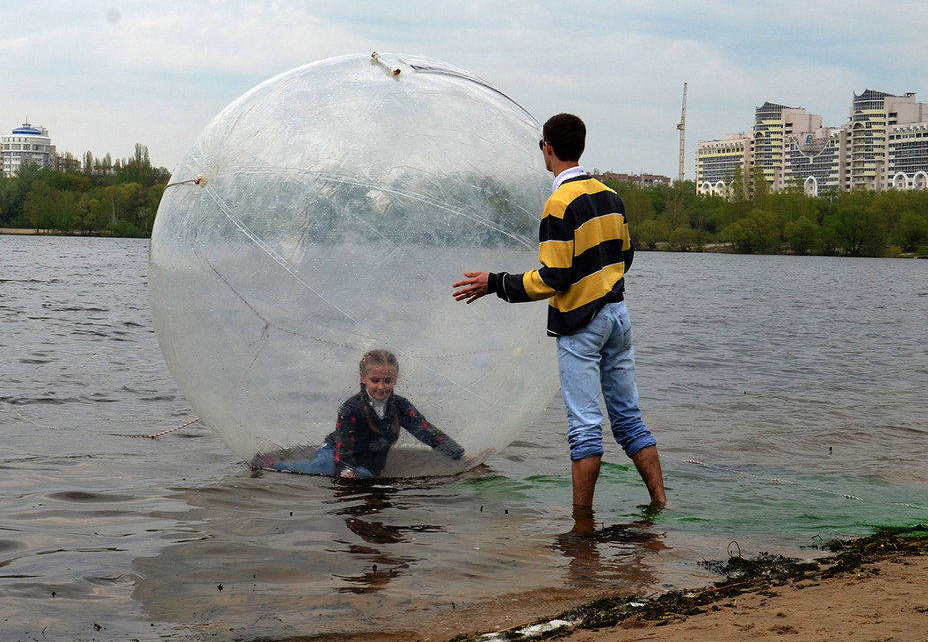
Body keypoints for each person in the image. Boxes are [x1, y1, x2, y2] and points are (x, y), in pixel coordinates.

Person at [452, 113, 666, 511]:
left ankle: (582, 523)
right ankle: (659, 503)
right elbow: (626, 255)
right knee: (629, 419)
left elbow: (554, 278)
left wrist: (494, 283)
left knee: (584, 429)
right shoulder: (610, 195)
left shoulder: (558, 204)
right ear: (580, 147)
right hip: (619, 317)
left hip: (582, 325)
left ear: (547, 148)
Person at [253, 349, 466, 478]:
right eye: (375, 380)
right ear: (363, 378)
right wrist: (345, 469)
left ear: (396, 379)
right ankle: (273, 464)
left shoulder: (401, 406)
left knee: (365, 476)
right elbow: (345, 443)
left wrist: (459, 455)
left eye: (388, 380)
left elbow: (426, 431)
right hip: (337, 451)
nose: (381, 386)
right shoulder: (351, 408)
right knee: (321, 468)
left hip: (369, 464)